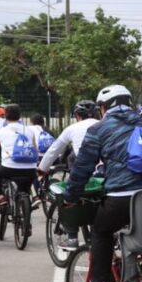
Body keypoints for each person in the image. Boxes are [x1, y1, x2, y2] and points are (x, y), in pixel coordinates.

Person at [64, 84, 142, 282]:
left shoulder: (99, 129)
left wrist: (71, 196)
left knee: (101, 232)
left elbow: (82, 168)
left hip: (122, 197)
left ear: (104, 107)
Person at [38, 99, 99, 249]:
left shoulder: (73, 128)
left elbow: (54, 150)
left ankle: (72, 238)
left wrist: (42, 169)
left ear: (77, 115)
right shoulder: (104, 125)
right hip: (106, 172)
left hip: (84, 172)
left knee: (68, 197)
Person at [0, 103, 39, 212]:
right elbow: (35, 151)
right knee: (25, 189)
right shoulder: (29, 131)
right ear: (20, 116)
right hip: (30, 170)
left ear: (5, 116)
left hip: (9, 169)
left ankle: (0, 197)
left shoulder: (0, 131)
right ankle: (27, 213)